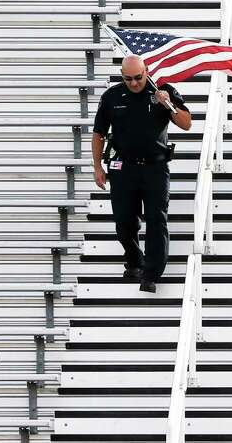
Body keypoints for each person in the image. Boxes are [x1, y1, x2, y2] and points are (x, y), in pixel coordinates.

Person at [91, 54, 192, 292]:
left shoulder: (163, 90)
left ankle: (152, 273)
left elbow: (187, 123)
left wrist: (168, 104)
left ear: (147, 71)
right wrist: (97, 166)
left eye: (138, 77)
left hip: (155, 167)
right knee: (124, 221)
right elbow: (98, 133)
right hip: (123, 167)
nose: (135, 83)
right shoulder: (112, 96)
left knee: (157, 220)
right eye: (128, 79)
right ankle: (135, 260)